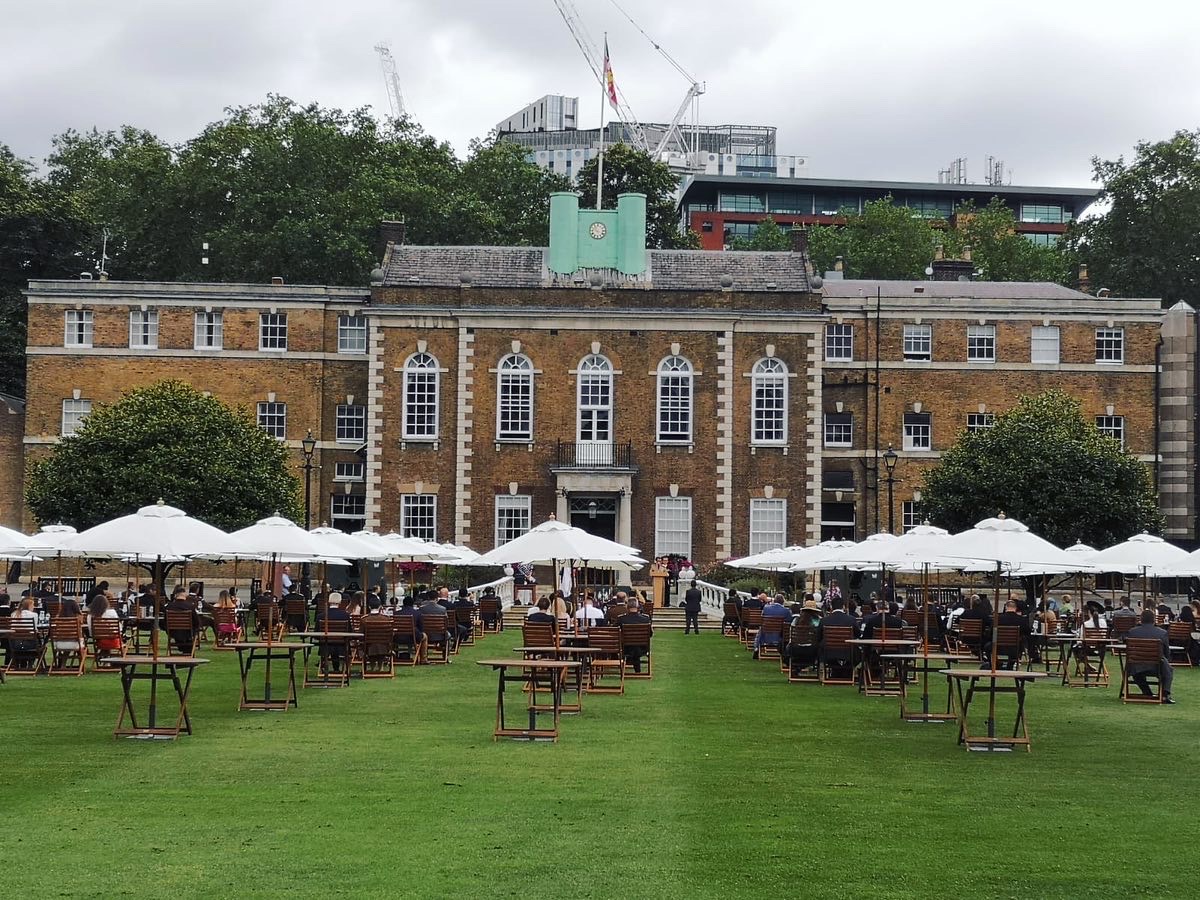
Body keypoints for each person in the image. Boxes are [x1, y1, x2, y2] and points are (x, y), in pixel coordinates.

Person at [1125, 610, 1175, 703]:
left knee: (1136, 672)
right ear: (1154, 620)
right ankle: (1165, 695)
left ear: (1141, 619)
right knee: (1168, 668)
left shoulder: (1132, 632)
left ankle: (1147, 692)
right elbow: (1167, 652)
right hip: (1157, 667)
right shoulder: (1162, 633)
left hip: (1136, 667)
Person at [315, 594, 352, 673]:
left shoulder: (321, 616)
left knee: (329, 646)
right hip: (342, 646)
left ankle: (326, 668)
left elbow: (316, 634)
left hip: (325, 645)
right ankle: (337, 669)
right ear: (340, 602)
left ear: (329, 601)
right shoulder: (345, 616)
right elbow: (350, 632)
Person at [995, 598, 1035, 667]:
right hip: (1016, 648)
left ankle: (997, 664)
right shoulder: (1021, 620)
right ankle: (1010, 665)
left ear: (1006, 607)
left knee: (988, 646)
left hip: (998, 647)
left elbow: (991, 633)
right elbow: (1028, 632)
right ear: (1016, 608)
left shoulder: (997, 619)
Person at [618, 597, 652, 674]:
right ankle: (637, 669)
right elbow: (650, 634)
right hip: (642, 648)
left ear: (627, 606)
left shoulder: (622, 619)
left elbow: (617, 633)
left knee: (632, 647)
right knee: (635, 648)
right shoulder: (645, 619)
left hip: (626, 648)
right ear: (638, 606)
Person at [165, 586, 201, 654]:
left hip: (173, 632)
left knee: (180, 636)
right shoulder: (190, 606)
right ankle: (187, 652)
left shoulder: (169, 607)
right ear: (184, 594)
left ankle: (183, 649)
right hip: (188, 632)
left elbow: (165, 621)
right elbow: (196, 622)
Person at [754, 593, 791, 658]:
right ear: (783, 602)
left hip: (765, 635)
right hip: (780, 637)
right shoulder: (786, 611)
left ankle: (757, 647)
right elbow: (789, 623)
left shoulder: (766, 608)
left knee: (761, 628)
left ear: (774, 600)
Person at [394, 595, 427, 664]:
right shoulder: (417, 613)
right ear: (413, 604)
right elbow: (421, 628)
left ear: (403, 603)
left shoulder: (396, 613)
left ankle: (394, 656)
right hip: (412, 637)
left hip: (397, 638)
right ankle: (423, 658)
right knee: (425, 636)